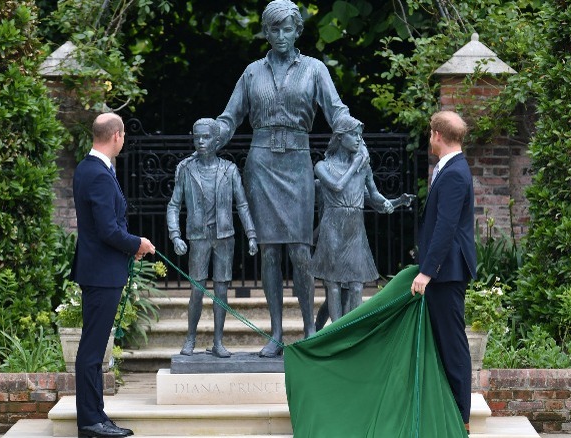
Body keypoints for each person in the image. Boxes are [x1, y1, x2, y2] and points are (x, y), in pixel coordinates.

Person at [214, 0, 353, 357]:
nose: (279, 35)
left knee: (301, 251)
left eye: (286, 28)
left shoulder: (315, 69)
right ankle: (276, 333)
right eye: (273, 29)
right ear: (266, 31)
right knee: (270, 252)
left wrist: (352, 130)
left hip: (297, 163)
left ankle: (309, 329)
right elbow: (230, 117)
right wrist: (214, 132)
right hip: (261, 165)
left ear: (297, 31)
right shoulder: (251, 73)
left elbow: (336, 110)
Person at [70, 112, 155, 438]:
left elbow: (101, 227)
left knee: (93, 348)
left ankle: (96, 417)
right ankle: (91, 422)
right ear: (116, 135)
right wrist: (139, 243)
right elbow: (107, 229)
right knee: (92, 350)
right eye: (123, 137)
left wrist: (128, 246)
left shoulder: (86, 169)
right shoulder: (99, 175)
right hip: (102, 273)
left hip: (99, 269)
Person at [166, 118, 259, 358]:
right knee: (196, 290)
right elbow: (174, 205)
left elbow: (243, 204)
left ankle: (218, 342)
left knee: (221, 291)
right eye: (197, 137)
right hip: (198, 237)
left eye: (206, 137)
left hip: (224, 237)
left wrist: (251, 234)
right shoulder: (186, 169)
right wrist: (175, 236)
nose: (201, 142)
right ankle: (191, 338)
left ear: (217, 140)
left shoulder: (229, 170)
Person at [410, 110, 477, 432]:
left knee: (452, 345)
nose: (429, 139)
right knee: (445, 342)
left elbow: (446, 227)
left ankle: (460, 420)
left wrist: (427, 271)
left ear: (437, 135)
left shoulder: (454, 173)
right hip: (444, 270)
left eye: (429, 134)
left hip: (447, 272)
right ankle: (448, 412)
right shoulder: (450, 168)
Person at [310, 116, 413, 323]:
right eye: (353, 134)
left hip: (354, 227)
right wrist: (356, 164)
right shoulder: (322, 166)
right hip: (332, 225)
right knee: (333, 284)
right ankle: (335, 332)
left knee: (356, 284)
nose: (358, 140)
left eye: (360, 135)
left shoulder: (363, 168)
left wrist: (395, 202)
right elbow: (337, 187)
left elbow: (374, 197)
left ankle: (351, 330)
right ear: (339, 137)